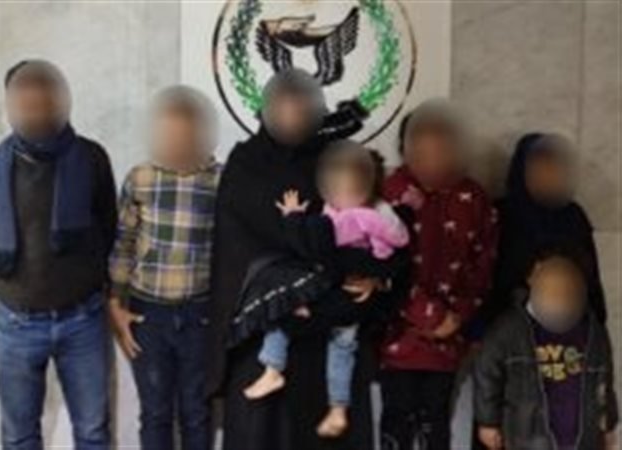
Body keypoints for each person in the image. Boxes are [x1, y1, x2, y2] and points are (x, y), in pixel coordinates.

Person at [207, 69, 409, 450]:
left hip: (328, 320)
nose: (292, 118)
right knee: (260, 430)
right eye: (283, 108)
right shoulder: (246, 162)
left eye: (301, 109)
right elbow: (235, 250)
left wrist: (373, 275)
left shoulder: (336, 159)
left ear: (317, 111)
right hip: (263, 327)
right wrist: (287, 286)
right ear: (266, 110)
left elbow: (369, 230)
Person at [0, 60, 117, 450]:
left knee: (93, 431)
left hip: (83, 319)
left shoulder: (91, 158)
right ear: (10, 107)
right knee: (19, 435)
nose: (36, 112)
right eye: (26, 104)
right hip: (16, 321)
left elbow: (108, 226)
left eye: (44, 102)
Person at [242, 142, 409, 439]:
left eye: (353, 188)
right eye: (338, 188)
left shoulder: (372, 214)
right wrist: (295, 217)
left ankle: (332, 404)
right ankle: (279, 373)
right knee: (289, 316)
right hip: (332, 288)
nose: (345, 195)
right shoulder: (332, 209)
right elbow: (315, 245)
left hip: (350, 295)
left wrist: (376, 276)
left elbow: (392, 249)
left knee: (340, 346)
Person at [379, 99, 498, 450]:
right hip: (397, 338)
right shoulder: (390, 194)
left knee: (436, 424)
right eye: (423, 151)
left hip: (448, 342)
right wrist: (426, 314)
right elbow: (381, 265)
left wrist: (456, 317)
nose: (433, 161)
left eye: (443, 150)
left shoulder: (473, 198)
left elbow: (483, 265)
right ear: (406, 149)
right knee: (397, 422)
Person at [107, 86, 221, 450]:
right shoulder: (140, 177)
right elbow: (123, 243)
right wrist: (115, 305)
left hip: (199, 314)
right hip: (148, 314)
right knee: (155, 413)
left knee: (197, 412)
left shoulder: (219, 180)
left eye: (185, 135)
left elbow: (229, 251)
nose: (177, 143)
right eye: (168, 134)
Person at [474, 245, 618, 450]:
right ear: (532, 278)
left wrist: (608, 424)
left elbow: (604, 381)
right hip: (527, 437)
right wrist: (488, 421)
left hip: (582, 439)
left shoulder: (593, 331)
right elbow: (487, 375)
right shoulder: (509, 328)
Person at [480, 133, 607, 330]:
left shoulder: (573, 217)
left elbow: (590, 280)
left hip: (567, 330)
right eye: (538, 170)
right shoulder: (500, 214)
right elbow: (485, 278)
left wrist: (596, 328)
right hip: (508, 331)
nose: (546, 177)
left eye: (553, 169)